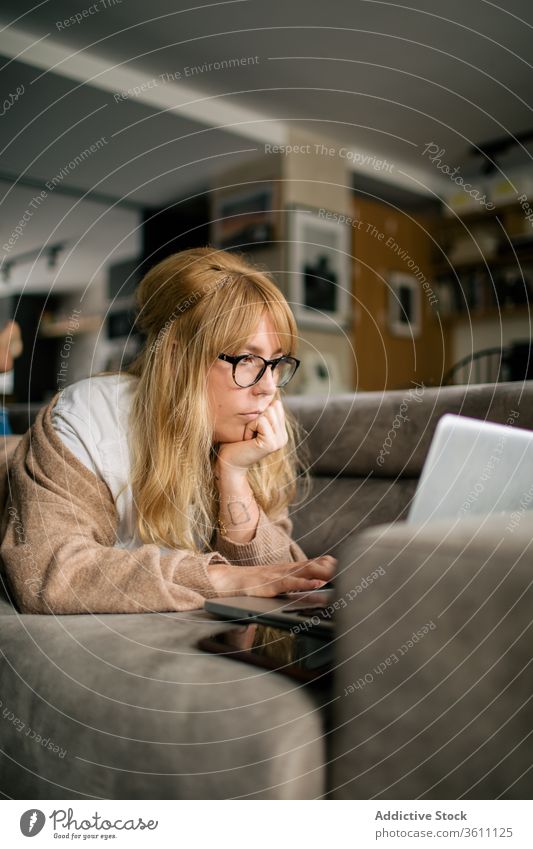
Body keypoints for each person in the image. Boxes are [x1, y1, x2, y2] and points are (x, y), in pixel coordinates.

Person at [0, 248, 336, 614]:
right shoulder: (88, 420)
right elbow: (51, 574)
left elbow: (279, 576)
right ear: (177, 358)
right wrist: (218, 579)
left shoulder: (256, 430)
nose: (268, 387)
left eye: (275, 363)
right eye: (248, 359)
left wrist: (233, 475)